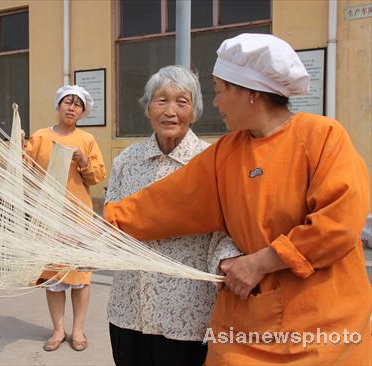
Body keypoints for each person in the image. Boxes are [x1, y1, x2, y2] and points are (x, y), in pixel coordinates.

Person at [104, 34, 371, 365]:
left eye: (219, 91)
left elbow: (338, 225)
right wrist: (95, 224)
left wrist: (261, 263)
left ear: (251, 93)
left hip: (323, 327)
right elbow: (161, 203)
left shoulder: (323, 138)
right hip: (245, 327)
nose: (215, 103)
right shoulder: (225, 155)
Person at [105, 65, 242, 366]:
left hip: (187, 311)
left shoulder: (213, 161)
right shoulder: (126, 161)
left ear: (194, 112)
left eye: (182, 101)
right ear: (147, 108)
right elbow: (111, 222)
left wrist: (226, 262)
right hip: (129, 307)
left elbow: (226, 232)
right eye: (160, 100)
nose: (170, 111)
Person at [24, 85, 106, 352]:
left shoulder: (86, 141)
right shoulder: (39, 137)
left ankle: (78, 329)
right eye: (67, 102)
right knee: (54, 276)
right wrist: (17, 144)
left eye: (77, 105)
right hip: (48, 217)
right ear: (58, 105)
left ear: (83, 112)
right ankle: (58, 330)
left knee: (80, 276)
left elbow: (96, 177)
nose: (72, 108)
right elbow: (24, 170)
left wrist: (83, 160)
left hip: (78, 217)